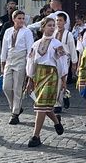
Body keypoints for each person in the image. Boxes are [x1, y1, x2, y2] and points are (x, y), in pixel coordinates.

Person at [24, 17, 67, 148]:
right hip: (39, 75)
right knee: (44, 106)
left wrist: (63, 79)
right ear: (43, 27)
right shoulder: (35, 44)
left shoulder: (57, 44)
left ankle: (35, 136)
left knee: (41, 105)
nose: (52, 27)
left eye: (53, 25)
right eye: (49, 25)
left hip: (51, 75)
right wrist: (30, 79)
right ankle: (56, 121)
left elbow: (62, 62)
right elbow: (31, 62)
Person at [0, 9, 33, 125]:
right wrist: (2, 63)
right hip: (10, 59)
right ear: (13, 19)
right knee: (6, 87)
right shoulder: (8, 31)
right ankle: (14, 106)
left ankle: (15, 113)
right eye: (19, 18)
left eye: (23, 18)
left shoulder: (26, 32)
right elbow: (4, 47)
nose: (21, 21)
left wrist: (29, 65)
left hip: (21, 59)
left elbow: (30, 49)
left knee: (18, 87)